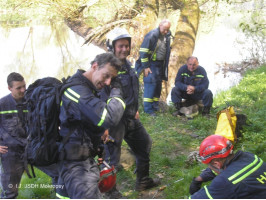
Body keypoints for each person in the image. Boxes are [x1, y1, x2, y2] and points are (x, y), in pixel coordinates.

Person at [101, 27, 161, 198]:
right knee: (110, 159)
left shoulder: (127, 64)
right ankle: (110, 193)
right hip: (114, 122)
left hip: (130, 118)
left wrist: (135, 110)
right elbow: (99, 99)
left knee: (144, 144)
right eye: (120, 46)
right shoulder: (106, 69)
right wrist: (104, 126)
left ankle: (143, 181)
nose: (124, 49)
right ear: (111, 46)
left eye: (127, 45)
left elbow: (132, 90)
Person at [57, 52, 126, 199]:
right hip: (76, 166)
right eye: (106, 76)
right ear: (95, 66)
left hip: (77, 158)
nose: (108, 82)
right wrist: (117, 93)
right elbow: (109, 117)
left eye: (112, 79)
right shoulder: (77, 91)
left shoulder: (88, 87)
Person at [190, 134, 266, 199]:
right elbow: (223, 170)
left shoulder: (225, 183)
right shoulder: (250, 157)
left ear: (217, 164)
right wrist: (200, 178)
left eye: (209, 166)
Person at [135, 19, 172, 116]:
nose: (166, 31)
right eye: (164, 29)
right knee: (150, 85)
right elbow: (143, 51)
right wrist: (146, 67)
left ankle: (155, 107)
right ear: (160, 25)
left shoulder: (167, 36)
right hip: (151, 64)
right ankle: (148, 109)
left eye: (168, 29)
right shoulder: (152, 35)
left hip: (160, 65)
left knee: (158, 86)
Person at [0, 72, 27, 199]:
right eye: (18, 88)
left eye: (24, 86)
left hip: (32, 149)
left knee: (59, 176)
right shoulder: (2, 104)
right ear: (9, 88)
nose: (23, 90)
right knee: (10, 192)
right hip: (10, 153)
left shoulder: (31, 101)